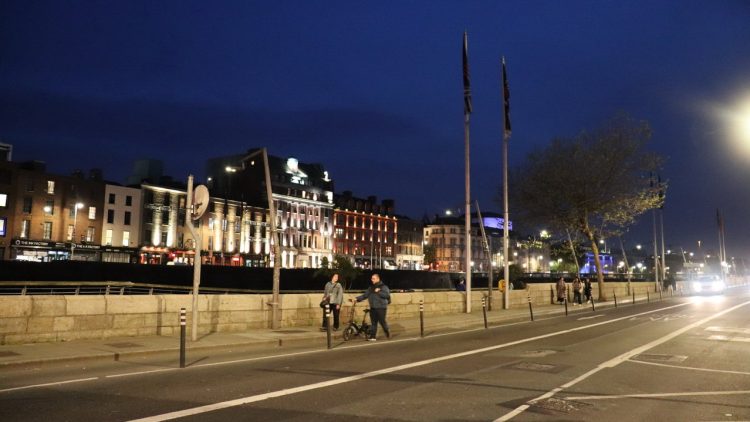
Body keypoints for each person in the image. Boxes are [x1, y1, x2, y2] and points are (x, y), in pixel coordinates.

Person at [356, 273, 391, 341]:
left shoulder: (384, 287)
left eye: (373, 278)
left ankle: (387, 331)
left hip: (381, 308)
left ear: (378, 279)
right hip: (373, 308)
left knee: (382, 322)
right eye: (372, 278)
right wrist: (357, 299)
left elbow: (387, 295)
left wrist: (379, 291)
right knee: (373, 323)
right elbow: (365, 295)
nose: (372, 280)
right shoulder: (371, 288)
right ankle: (373, 337)